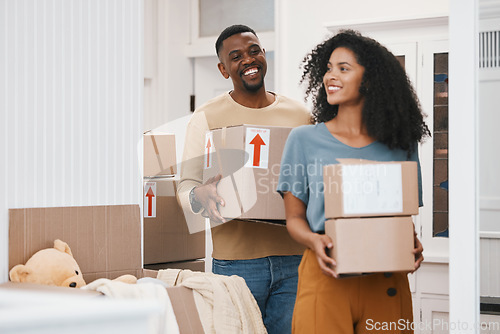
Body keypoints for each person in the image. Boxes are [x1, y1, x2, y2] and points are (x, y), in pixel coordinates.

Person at [277, 30, 428, 334]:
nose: (331, 76)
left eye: (343, 69)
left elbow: (403, 219)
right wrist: (314, 240)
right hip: (326, 273)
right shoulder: (304, 140)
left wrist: (411, 244)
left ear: (369, 80)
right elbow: (293, 218)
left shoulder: (400, 143)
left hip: (386, 279)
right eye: (329, 68)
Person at [177, 24, 311, 334]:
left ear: (264, 55)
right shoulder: (207, 117)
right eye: (236, 57)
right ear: (224, 69)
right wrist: (200, 195)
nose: (248, 60)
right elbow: (185, 186)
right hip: (236, 264)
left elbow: (315, 181)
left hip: (294, 259)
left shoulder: (300, 116)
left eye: (254, 51)